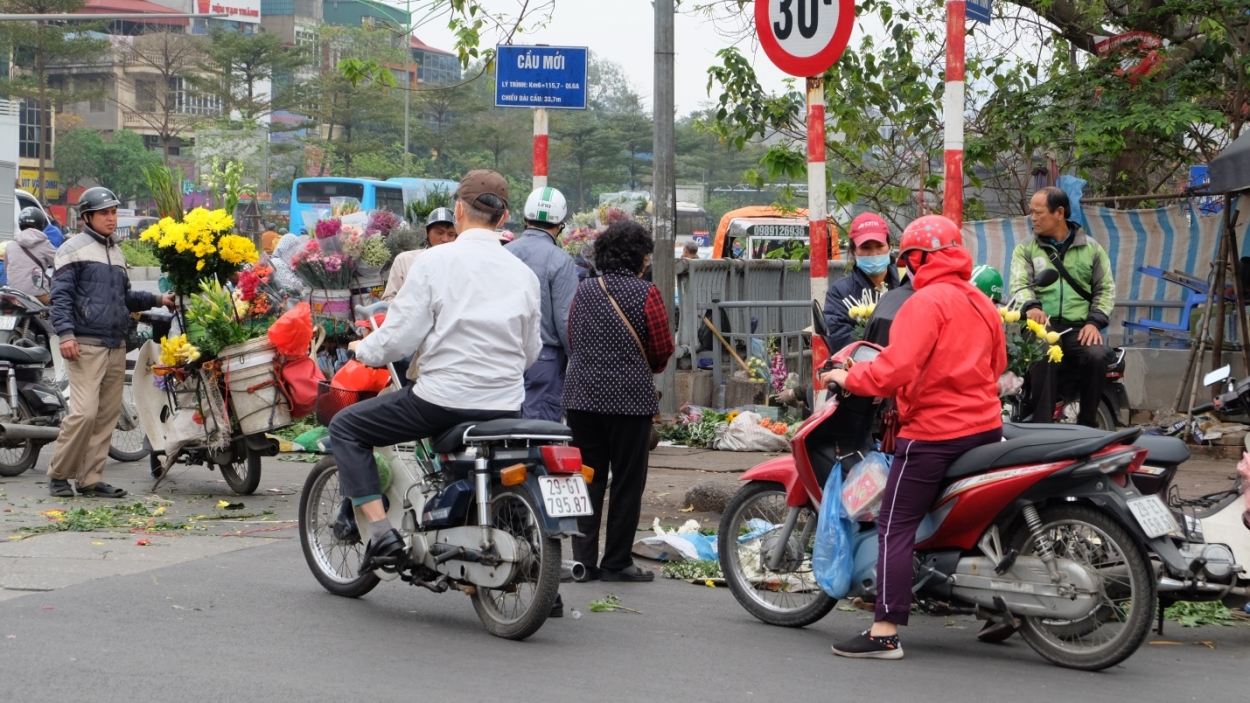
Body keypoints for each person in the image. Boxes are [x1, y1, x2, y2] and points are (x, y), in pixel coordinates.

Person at [329, 170, 541, 576]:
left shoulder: (435, 261)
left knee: (346, 428)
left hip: (441, 401)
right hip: (506, 405)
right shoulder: (523, 274)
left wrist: (364, 351)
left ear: (459, 210)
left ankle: (379, 535)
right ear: (505, 217)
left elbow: (398, 338)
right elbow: (529, 352)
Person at [822, 215, 1006, 660]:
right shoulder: (980, 300)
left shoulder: (923, 303)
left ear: (920, 258)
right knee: (976, 520)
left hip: (933, 435)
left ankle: (884, 631)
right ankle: (1000, 610)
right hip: (986, 428)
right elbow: (998, 366)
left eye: (907, 258)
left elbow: (894, 371)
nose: (905, 267)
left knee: (894, 524)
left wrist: (850, 378)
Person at [46, 187, 176, 498]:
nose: (111, 217)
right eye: (105, 212)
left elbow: (126, 298)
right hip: (84, 343)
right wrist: (65, 335)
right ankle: (59, 474)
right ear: (87, 217)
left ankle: (90, 479)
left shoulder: (116, 253)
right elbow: (60, 298)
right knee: (85, 413)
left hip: (116, 343)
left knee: (106, 416)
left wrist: (159, 298)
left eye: (114, 212)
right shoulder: (71, 250)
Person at [564, 220, 674, 583]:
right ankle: (616, 562)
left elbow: (572, 337)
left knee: (588, 478)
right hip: (629, 402)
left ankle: (583, 561)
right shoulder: (647, 293)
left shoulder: (585, 289)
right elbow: (661, 348)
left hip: (581, 398)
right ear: (639, 258)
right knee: (627, 482)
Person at [1009, 186, 1115, 427]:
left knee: (1097, 356)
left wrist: (1094, 322)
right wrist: (1032, 306)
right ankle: (1042, 426)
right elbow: (1019, 284)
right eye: (1031, 212)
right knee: (1044, 351)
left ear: (1059, 213)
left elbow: (1105, 289)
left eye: (1038, 212)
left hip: (1079, 327)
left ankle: (1088, 426)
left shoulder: (1092, 249)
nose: (1033, 218)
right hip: (1040, 326)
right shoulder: (1025, 249)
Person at [506, 187, 578, 423]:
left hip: (502, 353)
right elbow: (566, 320)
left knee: (503, 429)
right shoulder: (561, 261)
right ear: (560, 225)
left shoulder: (504, 254)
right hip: (544, 360)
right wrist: (576, 361)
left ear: (526, 219)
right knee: (537, 433)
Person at [822, 213, 900, 355]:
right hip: (860, 371)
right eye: (865, 247)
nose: (873, 254)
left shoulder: (906, 284)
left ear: (889, 247)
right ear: (853, 252)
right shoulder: (840, 293)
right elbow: (839, 340)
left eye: (879, 246)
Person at [382, 208, 457, 301]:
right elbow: (388, 299)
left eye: (451, 234)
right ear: (427, 232)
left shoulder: (458, 266)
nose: (445, 239)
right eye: (440, 232)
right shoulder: (404, 261)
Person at [10, 207, 57, 304]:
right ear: (41, 223)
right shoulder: (44, 243)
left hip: (14, 294)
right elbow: (60, 264)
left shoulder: (11, 245)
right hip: (39, 295)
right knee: (59, 311)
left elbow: (8, 268)